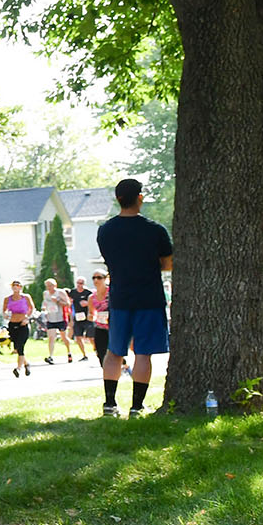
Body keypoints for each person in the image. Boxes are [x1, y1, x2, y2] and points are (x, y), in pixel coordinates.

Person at [95, 178, 173, 417]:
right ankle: (137, 406)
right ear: (140, 197)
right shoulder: (155, 230)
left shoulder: (105, 231)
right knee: (143, 353)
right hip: (149, 298)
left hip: (119, 298)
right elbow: (168, 264)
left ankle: (110, 404)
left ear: (118, 199)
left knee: (114, 352)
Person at [2, 280, 35, 377]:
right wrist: (5, 314)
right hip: (12, 324)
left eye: (17, 286)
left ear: (21, 287)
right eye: (13, 286)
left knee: (21, 346)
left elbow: (32, 308)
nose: (15, 287)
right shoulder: (7, 299)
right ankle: (26, 364)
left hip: (23, 324)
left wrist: (27, 318)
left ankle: (18, 368)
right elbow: (4, 310)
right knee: (17, 347)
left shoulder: (26, 297)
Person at [40, 278, 73, 364]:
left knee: (64, 337)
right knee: (51, 337)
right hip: (50, 318)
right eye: (47, 286)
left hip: (60, 318)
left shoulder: (60, 292)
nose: (49, 288)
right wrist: (43, 307)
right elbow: (44, 302)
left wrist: (58, 301)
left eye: (50, 285)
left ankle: (69, 352)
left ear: (55, 285)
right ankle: (51, 356)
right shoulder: (45, 293)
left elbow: (68, 304)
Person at [88, 271, 111, 377]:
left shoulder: (111, 292)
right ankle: (107, 373)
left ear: (105, 279)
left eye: (99, 277)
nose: (96, 280)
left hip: (113, 326)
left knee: (114, 351)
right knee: (100, 352)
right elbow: (91, 312)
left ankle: (121, 367)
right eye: (93, 278)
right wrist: (91, 316)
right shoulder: (92, 297)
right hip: (100, 326)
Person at [67, 276, 92, 361]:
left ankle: (97, 351)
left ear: (84, 284)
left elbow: (94, 303)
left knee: (91, 337)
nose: (79, 285)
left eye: (81, 283)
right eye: (78, 283)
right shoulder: (73, 292)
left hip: (87, 317)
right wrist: (70, 319)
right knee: (78, 337)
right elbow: (69, 304)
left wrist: (87, 303)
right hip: (77, 317)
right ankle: (84, 355)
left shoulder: (88, 293)